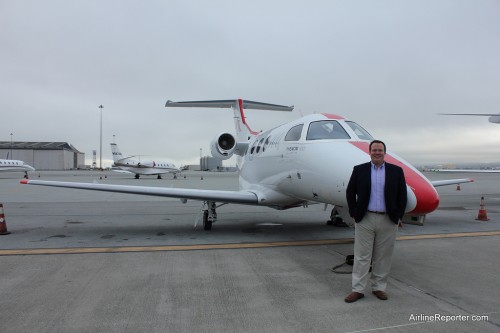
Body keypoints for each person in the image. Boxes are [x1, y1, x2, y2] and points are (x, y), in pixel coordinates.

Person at [344, 140, 407, 303]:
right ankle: (357, 289)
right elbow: (350, 192)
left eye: (380, 150)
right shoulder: (359, 170)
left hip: (388, 219)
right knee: (361, 256)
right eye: (374, 150)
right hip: (365, 218)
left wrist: (398, 215)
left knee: (383, 256)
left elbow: (402, 196)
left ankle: (379, 287)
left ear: (384, 152)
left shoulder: (396, 171)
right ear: (369, 152)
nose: (377, 152)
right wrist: (353, 212)